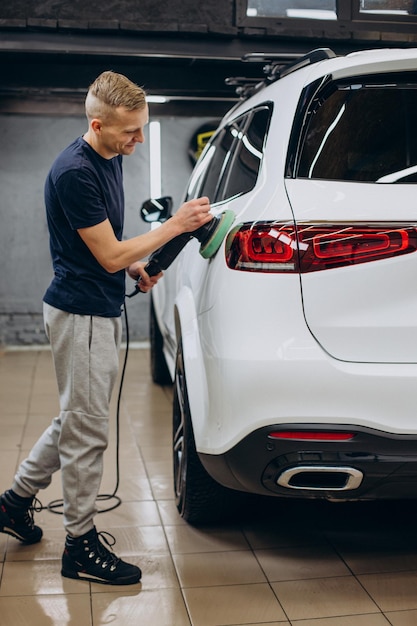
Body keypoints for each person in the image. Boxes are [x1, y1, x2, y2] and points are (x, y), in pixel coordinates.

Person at [0, 70, 212, 585]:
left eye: (143, 129)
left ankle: (14, 501)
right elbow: (111, 252)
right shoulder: (75, 171)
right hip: (83, 316)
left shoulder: (107, 156)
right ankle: (79, 544)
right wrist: (173, 226)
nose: (138, 141)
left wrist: (137, 266)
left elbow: (111, 244)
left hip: (95, 306)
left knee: (77, 416)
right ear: (97, 124)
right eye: (129, 133)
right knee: (88, 431)